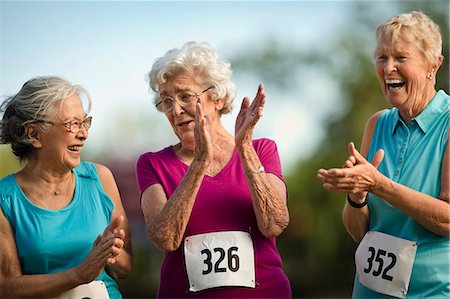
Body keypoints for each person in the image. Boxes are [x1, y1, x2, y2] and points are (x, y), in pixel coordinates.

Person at [136, 41, 291, 298]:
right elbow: (165, 238)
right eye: (166, 101)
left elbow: (274, 224)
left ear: (217, 98)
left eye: (185, 96)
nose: (175, 110)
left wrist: (244, 149)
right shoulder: (153, 164)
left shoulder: (262, 150)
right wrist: (199, 163)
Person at [317, 11, 449, 298]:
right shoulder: (376, 123)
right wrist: (357, 195)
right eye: (381, 57)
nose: (389, 68)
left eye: (401, 58)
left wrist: (379, 185)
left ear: (433, 65)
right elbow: (357, 232)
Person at [0, 76, 132, 298]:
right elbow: (6, 288)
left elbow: (126, 268)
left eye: (84, 122)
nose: (84, 134)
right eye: (72, 124)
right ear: (34, 134)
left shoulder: (101, 178)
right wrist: (78, 275)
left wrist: (111, 252)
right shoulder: (6, 198)